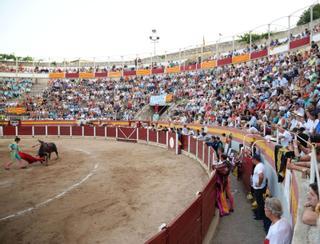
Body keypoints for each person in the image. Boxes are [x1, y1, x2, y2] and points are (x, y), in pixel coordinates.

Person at [252, 154, 267, 221]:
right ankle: (260, 215)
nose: (252, 161)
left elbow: (261, 176)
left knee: (260, 202)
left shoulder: (259, 166)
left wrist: (259, 184)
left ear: (255, 159)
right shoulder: (260, 165)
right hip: (259, 187)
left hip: (259, 188)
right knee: (260, 202)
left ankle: (260, 216)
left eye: (253, 160)